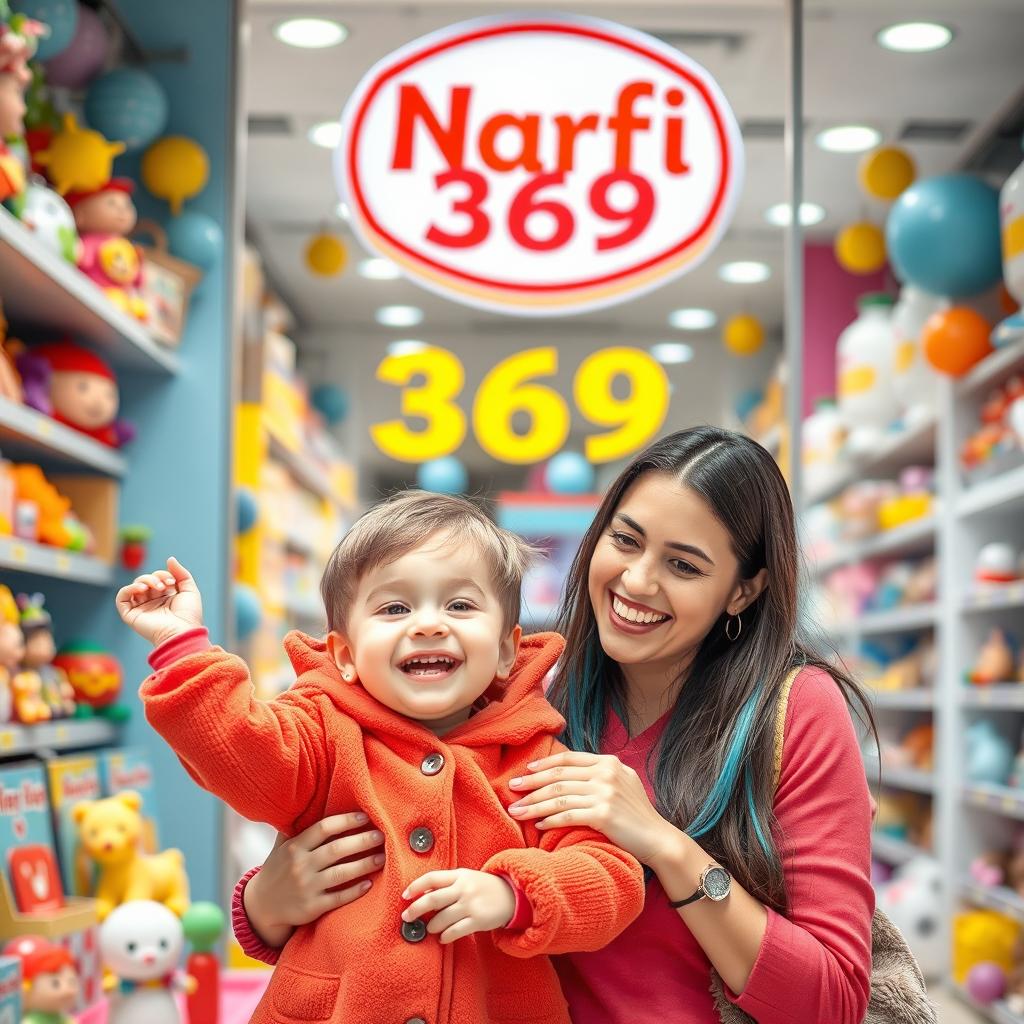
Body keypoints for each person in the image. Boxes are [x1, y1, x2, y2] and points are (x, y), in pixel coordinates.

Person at [235, 427, 876, 1024]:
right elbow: (395, 840)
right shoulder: (520, 688)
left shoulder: (793, 711)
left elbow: (833, 1002)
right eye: (625, 540)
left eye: (684, 565)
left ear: (743, 590)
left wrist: (664, 845)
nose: (637, 580)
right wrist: (264, 904)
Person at [115, 491, 644, 1024]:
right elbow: (241, 752)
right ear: (344, 655)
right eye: (395, 608)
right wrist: (182, 647)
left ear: (507, 649)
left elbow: (610, 877)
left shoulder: (536, 760)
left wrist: (514, 895)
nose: (429, 624)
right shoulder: (321, 731)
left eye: (460, 605)